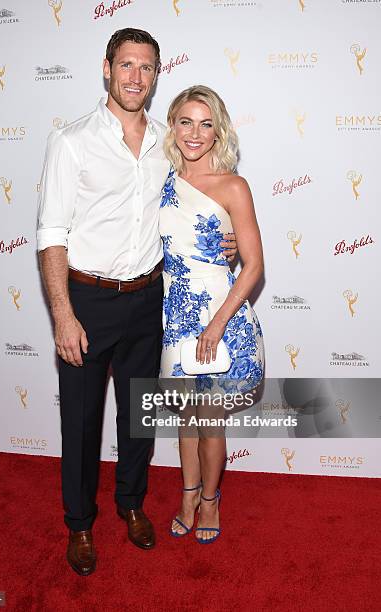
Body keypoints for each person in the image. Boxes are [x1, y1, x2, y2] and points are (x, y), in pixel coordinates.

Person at [36, 30, 237, 575]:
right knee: (80, 423)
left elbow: (201, 197)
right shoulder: (71, 140)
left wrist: (232, 236)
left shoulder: (167, 145)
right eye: (126, 65)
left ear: (156, 75)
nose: (135, 77)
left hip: (150, 300)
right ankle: (79, 524)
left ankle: (131, 505)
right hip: (87, 299)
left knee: (138, 421)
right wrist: (62, 313)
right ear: (107, 69)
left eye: (146, 68)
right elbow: (51, 231)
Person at [160, 85, 264, 543]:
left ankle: (209, 500)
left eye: (205, 123)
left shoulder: (233, 186)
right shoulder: (159, 180)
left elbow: (254, 265)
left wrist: (218, 322)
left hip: (219, 315)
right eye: (186, 121)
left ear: (218, 130)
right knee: (186, 417)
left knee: (209, 420)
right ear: (173, 126)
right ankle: (186, 494)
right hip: (173, 315)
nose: (195, 133)